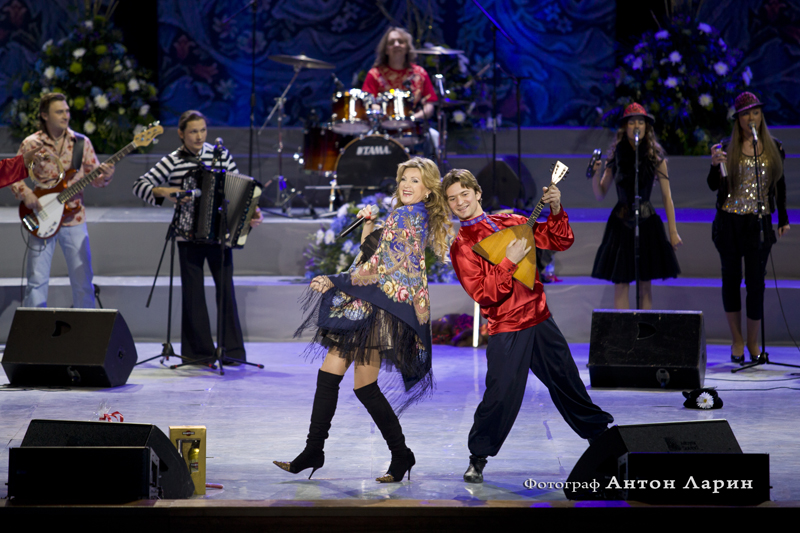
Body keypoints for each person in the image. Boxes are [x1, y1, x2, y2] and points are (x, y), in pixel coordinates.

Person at [274, 157, 454, 483]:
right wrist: (370, 226)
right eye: (404, 179)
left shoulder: (407, 217)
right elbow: (372, 255)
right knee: (344, 380)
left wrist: (333, 279)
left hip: (377, 309)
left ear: (428, 190)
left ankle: (395, 453)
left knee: (355, 384)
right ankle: (318, 450)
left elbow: (379, 269)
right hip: (371, 306)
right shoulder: (409, 215)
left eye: (415, 180)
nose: (406, 185)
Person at [443, 168, 613, 484]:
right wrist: (508, 261)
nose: (460, 202)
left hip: (540, 317)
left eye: (464, 194)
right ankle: (478, 457)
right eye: (452, 199)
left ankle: (601, 440)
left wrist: (556, 209)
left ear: (478, 193)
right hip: (507, 326)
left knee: (567, 381)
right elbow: (484, 294)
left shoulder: (514, 221)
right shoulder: (462, 246)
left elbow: (560, 240)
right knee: (501, 394)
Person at [132, 110, 262, 365]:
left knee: (226, 290)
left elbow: (241, 189)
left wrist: (252, 213)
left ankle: (232, 352)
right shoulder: (172, 160)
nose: (199, 136)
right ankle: (198, 353)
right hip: (187, 234)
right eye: (193, 131)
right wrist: (167, 192)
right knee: (193, 294)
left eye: (203, 130)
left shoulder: (220, 155)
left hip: (219, 235)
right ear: (181, 134)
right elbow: (140, 185)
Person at [10, 92, 114, 308]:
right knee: (37, 281)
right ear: (44, 115)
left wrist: (106, 175)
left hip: (74, 218)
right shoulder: (31, 143)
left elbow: (96, 179)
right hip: (42, 214)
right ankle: (35, 327)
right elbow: (13, 175)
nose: (66, 115)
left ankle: (85, 327)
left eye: (67, 111)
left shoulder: (81, 143)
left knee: (83, 281)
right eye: (59, 112)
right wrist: (25, 193)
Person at [708, 92, 789, 364]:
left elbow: (779, 184)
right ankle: (737, 341)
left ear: (761, 115)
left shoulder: (774, 147)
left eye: (755, 112)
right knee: (731, 280)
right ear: (738, 119)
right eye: (745, 114)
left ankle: (753, 342)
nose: (751, 118)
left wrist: (783, 218)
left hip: (759, 223)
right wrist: (714, 166)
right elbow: (713, 185)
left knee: (756, 283)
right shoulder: (726, 147)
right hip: (729, 222)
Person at [590, 102, 682, 309]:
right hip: (621, 223)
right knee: (621, 283)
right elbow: (600, 193)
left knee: (645, 284)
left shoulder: (655, 157)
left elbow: (667, 196)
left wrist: (673, 231)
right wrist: (596, 174)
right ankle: (624, 328)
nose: (637, 126)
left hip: (647, 221)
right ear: (625, 127)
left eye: (641, 122)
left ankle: (643, 328)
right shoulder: (616, 156)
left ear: (646, 127)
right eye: (632, 122)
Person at [362, 26, 439, 154]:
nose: (396, 45)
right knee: (366, 141)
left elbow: (429, 105)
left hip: (413, 127)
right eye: (392, 42)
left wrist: (413, 118)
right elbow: (368, 102)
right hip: (383, 128)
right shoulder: (374, 74)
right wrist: (385, 116)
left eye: (400, 41)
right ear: (386, 49)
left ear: (407, 47)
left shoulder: (420, 73)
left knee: (435, 136)